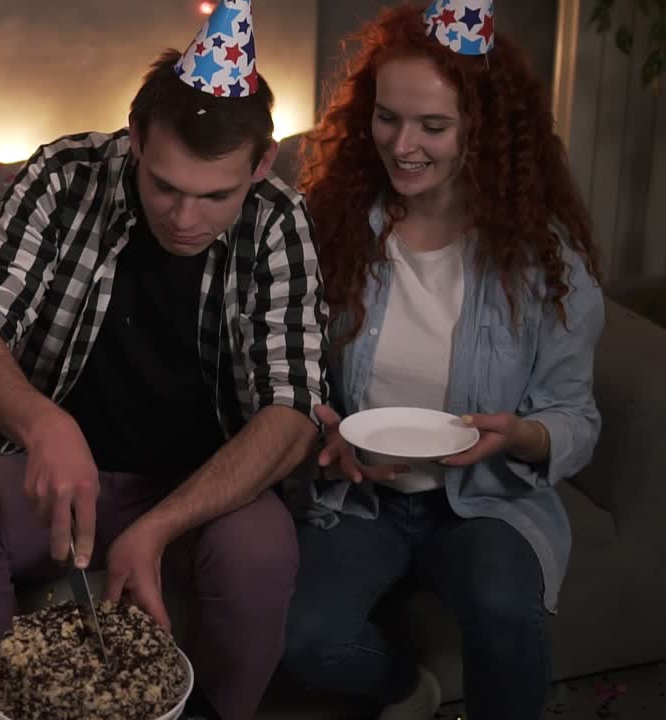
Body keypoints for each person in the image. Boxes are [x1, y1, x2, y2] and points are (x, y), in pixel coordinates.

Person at [0, 2, 327, 718]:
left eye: (215, 196)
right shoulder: (62, 175)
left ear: (261, 165)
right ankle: (0, 705)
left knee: (260, 549)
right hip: (56, 479)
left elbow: (292, 414)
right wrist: (43, 424)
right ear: (135, 136)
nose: (184, 219)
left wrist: (159, 527)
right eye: (164, 185)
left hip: (202, 489)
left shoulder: (279, 219)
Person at [280, 2, 603, 719]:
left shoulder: (545, 262)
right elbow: (288, 365)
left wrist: (520, 435)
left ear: (481, 130)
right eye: (388, 118)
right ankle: (406, 689)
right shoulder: (330, 225)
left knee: (505, 609)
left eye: (433, 126)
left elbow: (575, 416)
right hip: (360, 498)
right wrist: (321, 427)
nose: (403, 145)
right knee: (304, 639)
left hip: (486, 499)